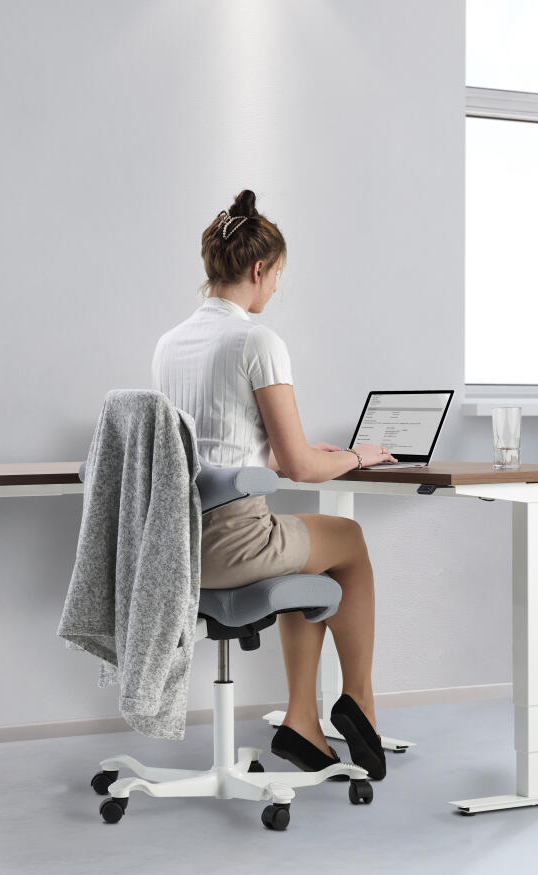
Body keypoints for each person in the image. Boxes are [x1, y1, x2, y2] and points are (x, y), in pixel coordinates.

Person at [151, 189, 394, 781]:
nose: (277, 288)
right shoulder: (256, 341)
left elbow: (235, 452)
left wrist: (305, 457)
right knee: (349, 542)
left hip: (176, 546)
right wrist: (359, 456)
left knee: (310, 565)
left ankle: (303, 723)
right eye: (278, 275)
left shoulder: (170, 343)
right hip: (234, 542)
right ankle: (358, 700)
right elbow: (303, 469)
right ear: (259, 269)